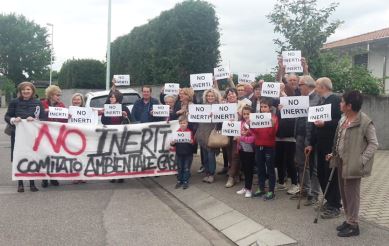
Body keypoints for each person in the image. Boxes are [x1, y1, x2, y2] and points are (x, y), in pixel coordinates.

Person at [327, 90, 378, 237]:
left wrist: (361, 160)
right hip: (342, 161)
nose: (340, 104)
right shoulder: (343, 118)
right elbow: (340, 139)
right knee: (344, 193)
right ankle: (349, 219)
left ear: (349, 105)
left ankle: (354, 225)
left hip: (354, 164)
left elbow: (374, 144)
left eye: (342, 102)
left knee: (352, 194)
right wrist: (334, 153)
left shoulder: (365, 122)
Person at [305, 77, 342, 219]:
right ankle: (329, 200)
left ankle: (335, 205)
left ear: (324, 87)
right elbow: (315, 126)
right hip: (320, 144)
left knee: (330, 174)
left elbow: (339, 122)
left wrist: (324, 124)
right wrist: (310, 143)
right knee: (321, 173)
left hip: (330, 145)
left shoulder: (335, 100)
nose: (315, 88)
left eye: (317, 86)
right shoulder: (321, 102)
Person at [4, 82, 46, 192]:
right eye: (23, 89)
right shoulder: (14, 102)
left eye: (28, 89)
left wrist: (35, 119)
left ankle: (32, 183)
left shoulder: (37, 103)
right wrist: (13, 120)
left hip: (32, 136)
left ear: (32, 91)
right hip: (17, 135)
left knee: (32, 157)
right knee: (19, 157)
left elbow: (43, 117)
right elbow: (7, 116)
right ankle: (20, 183)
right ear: (20, 91)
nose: (25, 91)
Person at [295, 75, 321, 206]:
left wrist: (309, 140)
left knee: (313, 166)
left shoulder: (317, 98)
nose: (298, 88)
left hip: (310, 137)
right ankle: (304, 189)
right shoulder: (301, 98)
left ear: (307, 86)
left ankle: (314, 193)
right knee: (301, 164)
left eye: (300, 85)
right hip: (299, 135)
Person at [101, 90, 132, 183]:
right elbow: (103, 121)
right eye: (110, 97)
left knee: (121, 155)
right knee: (111, 154)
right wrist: (104, 113)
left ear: (117, 98)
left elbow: (130, 121)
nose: (111, 98)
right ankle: (113, 174)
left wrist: (125, 116)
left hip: (121, 135)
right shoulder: (107, 107)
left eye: (113, 97)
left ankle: (121, 174)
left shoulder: (124, 108)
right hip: (110, 135)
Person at [252, 98, 279, 200]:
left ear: (269, 108)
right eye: (261, 107)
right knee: (260, 168)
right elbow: (255, 132)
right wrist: (250, 126)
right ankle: (261, 188)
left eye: (265, 107)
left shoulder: (274, 118)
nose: (263, 109)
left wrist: (272, 125)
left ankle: (271, 191)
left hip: (269, 146)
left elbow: (272, 135)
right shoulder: (256, 118)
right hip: (258, 145)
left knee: (270, 169)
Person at [275, 83, 299, 196]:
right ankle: (281, 182)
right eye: (279, 89)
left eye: (282, 89)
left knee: (290, 161)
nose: (280, 91)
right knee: (279, 160)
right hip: (278, 137)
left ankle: (295, 183)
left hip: (289, 138)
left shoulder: (293, 104)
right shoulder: (277, 104)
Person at [41, 85, 66, 188]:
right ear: (51, 95)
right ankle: (44, 178)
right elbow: (37, 115)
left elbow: (64, 119)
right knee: (44, 156)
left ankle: (53, 176)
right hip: (44, 134)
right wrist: (45, 111)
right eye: (57, 95)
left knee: (54, 156)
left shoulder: (61, 105)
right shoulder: (42, 103)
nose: (59, 97)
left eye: (59, 95)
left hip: (56, 134)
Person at [195, 88, 222, 183]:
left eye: (212, 96)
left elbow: (221, 120)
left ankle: (211, 174)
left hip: (212, 134)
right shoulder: (202, 106)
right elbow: (196, 117)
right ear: (205, 97)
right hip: (202, 133)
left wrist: (215, 115)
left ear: (215, 97)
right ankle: (207, 172)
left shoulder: (219, 106)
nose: (210, 97)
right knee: (205, 155)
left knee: (211, 155)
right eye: (208, 96)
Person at [224, 87, 245, 188]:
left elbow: (246, 117)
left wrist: (239, 115)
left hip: (239, 133)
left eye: (233, 93)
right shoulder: (224, 105)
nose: (231, 95)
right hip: (227, 133)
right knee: (229, 155)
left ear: (236, 95)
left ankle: (231, 177)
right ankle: (237, 174)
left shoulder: (242, 104)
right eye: (229, 94)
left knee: (235, 154)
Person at [235, 106, 255, 198]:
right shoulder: (241, 123)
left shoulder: (253, 124)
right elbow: (237, 133)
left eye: (248, 114)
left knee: (249, 170)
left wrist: (242, 138)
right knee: (245, 169)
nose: (246, 115)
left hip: (250, 150)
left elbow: (253, 138)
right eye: (244, 114)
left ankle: (249, 189)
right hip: (241, 149)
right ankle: (246, 187)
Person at [171, 116, 194, 189]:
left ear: (187, 123)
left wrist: (192, 142)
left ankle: (185, 181)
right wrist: (172, 143)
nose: (183, 124)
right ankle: (179, 181)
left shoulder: (190, 132)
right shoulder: (177, 133)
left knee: (186, 168)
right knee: (180, 168)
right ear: (179, 124)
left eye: (184, 123)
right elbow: (173, 144)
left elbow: (193, 144)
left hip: (188, 154)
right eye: (181, 123)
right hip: (179, 154)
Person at [70, 93, 87, 184]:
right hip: (72, 137)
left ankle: (83, 175)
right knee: (74, 157)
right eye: (74, 99)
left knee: (83, 156)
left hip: (83, 136)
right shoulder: (69, 111)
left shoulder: (86, 111)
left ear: (82, 101)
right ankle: (75, 175)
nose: (76, 101)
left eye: (78, 99)